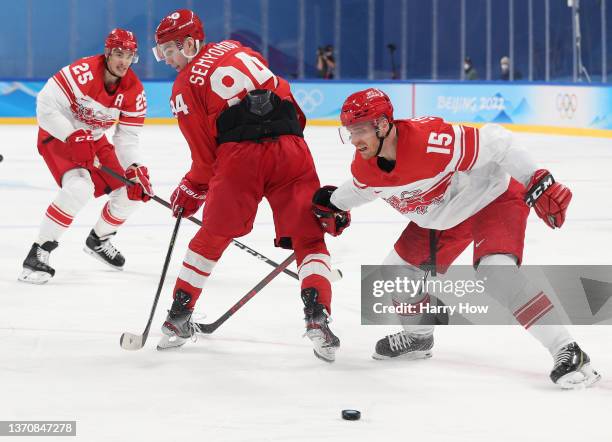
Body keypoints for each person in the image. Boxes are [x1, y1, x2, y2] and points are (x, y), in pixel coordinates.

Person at [312, 87, 601, 388]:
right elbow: (362, 188)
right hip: (444, 216)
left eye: (360, 130)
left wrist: (536, 179)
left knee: (496, 273)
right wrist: (332, 203)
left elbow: (497, 142)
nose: (354, 139)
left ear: (383, 125)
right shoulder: (364, 164)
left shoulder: (431, 142)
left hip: (493, 197)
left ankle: (568, 350)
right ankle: (418, 337)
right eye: (349, 131)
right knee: (397, 273)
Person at [152, 9, 339, 362]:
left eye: (170, 50)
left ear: (190, 43)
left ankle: (178, 318)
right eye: (162, 52)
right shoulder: (240, 49)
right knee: (309, 237)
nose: (167, 60)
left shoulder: (185, 85)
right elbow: (294, 110)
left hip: (239, 159)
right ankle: (318, 318)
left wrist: (193, 188)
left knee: (212, 235)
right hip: (291, 150)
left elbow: (206, 158)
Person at [18, 29, 152, 284]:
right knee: (80, 187)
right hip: (59, 134)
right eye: (119, 54)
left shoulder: (134, 90)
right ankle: (38, 252)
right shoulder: (83, 72)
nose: (123, 61)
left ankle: (99, 240)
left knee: (131, 190)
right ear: (108, 52)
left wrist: (135, 166)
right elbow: (45, 105)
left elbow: (127, 138)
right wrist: (71, 135)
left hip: (93, 139)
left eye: (130, 55)